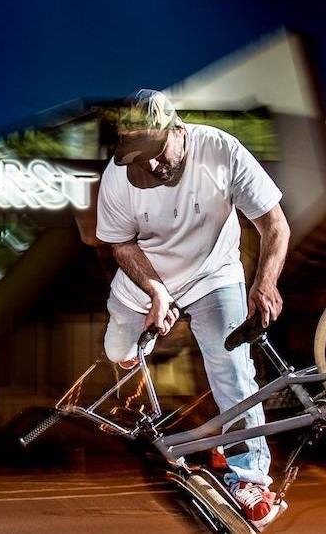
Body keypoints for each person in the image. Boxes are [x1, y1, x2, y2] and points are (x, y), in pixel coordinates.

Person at [95, 89, 290, 527]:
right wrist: (157, 292)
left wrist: (265, 281)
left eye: (157, 153)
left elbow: (274, 223)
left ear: (179, 132)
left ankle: (250, 476)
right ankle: (135, 386)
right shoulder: (117, 179)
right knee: (116, 350)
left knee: (232, 367)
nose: (151, 167)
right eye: (138, 158)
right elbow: (119, 243)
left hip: (213, 275)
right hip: (143, 283)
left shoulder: (221, 151)